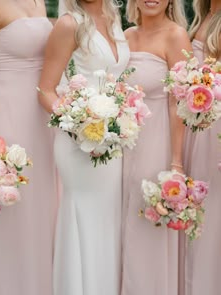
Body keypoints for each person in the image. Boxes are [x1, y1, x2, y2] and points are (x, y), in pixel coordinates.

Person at [38, 0, 130, 294]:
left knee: (107, 219)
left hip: (113, 140)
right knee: (84, 215)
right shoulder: (68, 24)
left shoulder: (114, 18)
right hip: (78, 144)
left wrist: (116, 124)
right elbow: (46, 89)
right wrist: (79, 127)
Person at [0, 1, 57, 294]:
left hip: (41, 119)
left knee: (43, 208)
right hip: (7, 115)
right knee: (14, 208)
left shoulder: (39, 1)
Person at [121, 1, 192, 295]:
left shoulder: (176, 36)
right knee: (124, 224)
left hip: (157, 142)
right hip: (124, 144)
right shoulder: (125, 37)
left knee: (145, 224)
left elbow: (180, 103)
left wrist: (175, 161)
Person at [184, 1, 221, 294]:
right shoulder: (202, 14)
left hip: (214, 128)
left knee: (211, 209)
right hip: (195, 123)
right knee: (193, 202)